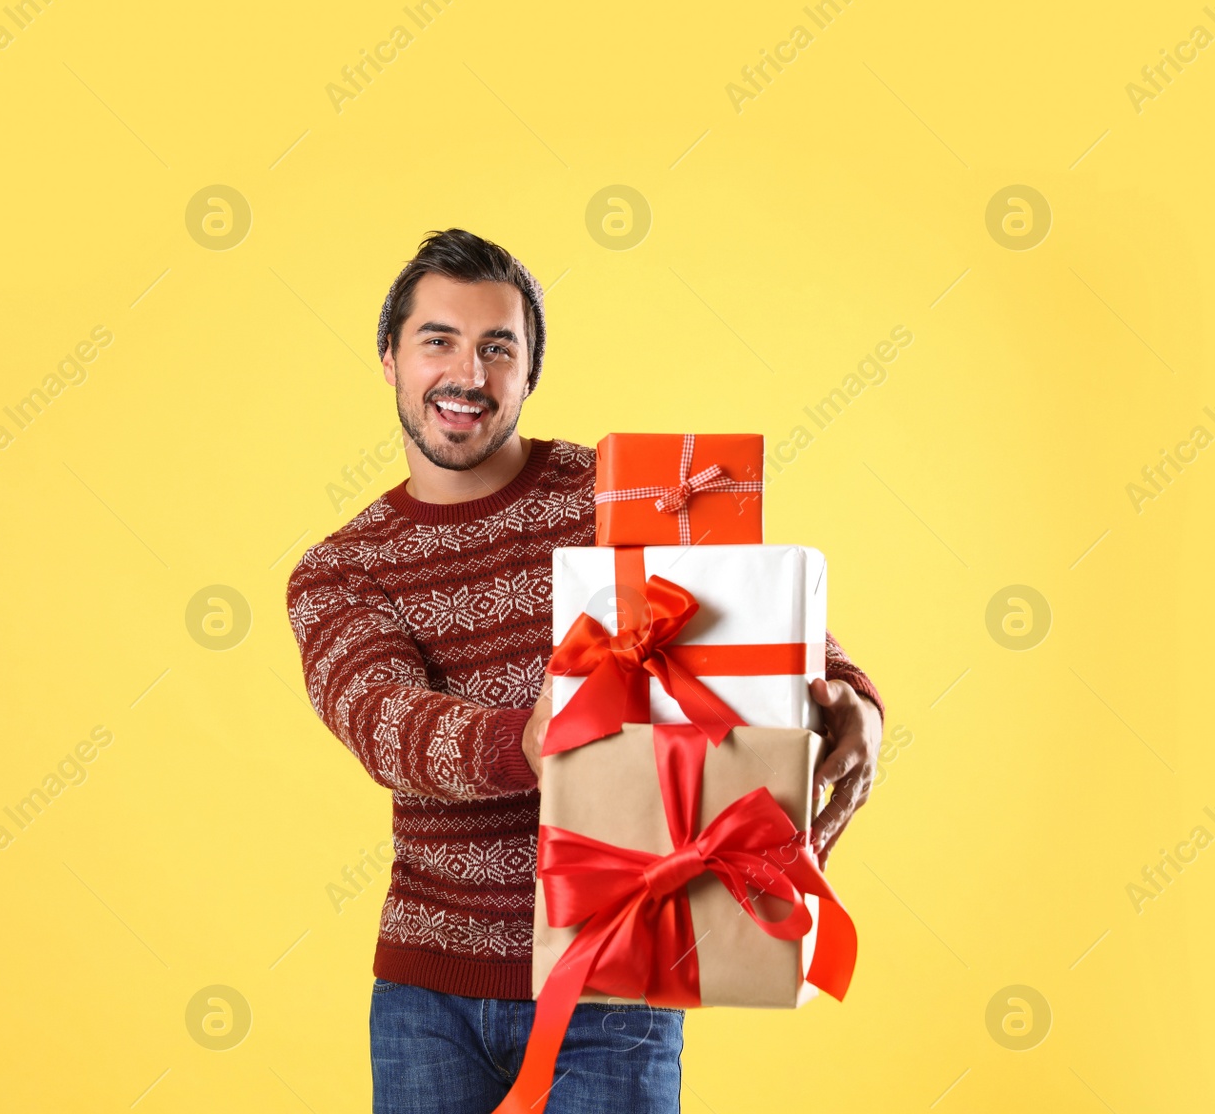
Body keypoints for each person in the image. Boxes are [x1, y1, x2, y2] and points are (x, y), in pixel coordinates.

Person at [287, 229, 883, 1113]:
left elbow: (755, 618)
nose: (468, 373)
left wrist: (854, 703)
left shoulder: (613, 497)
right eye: (438, 340)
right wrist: (526, 738)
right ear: (389, 360)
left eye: (499, 348)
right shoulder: (343, 568)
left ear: (528, 373)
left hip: (615, 972)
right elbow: (383, 724)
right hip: (430, 994)